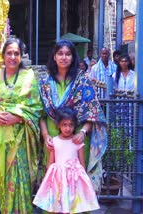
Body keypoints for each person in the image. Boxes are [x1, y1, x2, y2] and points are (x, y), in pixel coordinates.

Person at [39, 40, 107, 192]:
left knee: (77, 184)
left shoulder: (83, 81)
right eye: (60, 54)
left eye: (68, 54)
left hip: (77, 139)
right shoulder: (44, 82)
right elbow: (41, 115)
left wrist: (83, 132)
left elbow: (93, 111)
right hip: (52, 140)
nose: (64, 57)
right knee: (53, 184)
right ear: (54, 57)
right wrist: (45, 136)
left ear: (73, 57)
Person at [0, 38, 43, 213]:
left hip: (22, 139)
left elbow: (37, 107)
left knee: (21, 180)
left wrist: (17, 118)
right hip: (1, 137)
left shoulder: (29, 77)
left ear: (21, 56)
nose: (12, 57)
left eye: (16, 53)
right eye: (9, 53)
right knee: (3, 180)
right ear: (3, 55)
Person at [33, 107, 100, 213]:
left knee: (72, 204)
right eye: (64, 125)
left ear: (75, 126)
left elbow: (82, 164)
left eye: (71, 125)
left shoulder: (78, 142)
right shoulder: (54, 141)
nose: (67, 128)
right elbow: (50, 163)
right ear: (58, 125)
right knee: (57, 203)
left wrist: (85, 182)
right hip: (58, 179)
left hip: (74, 179)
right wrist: (47, 179)